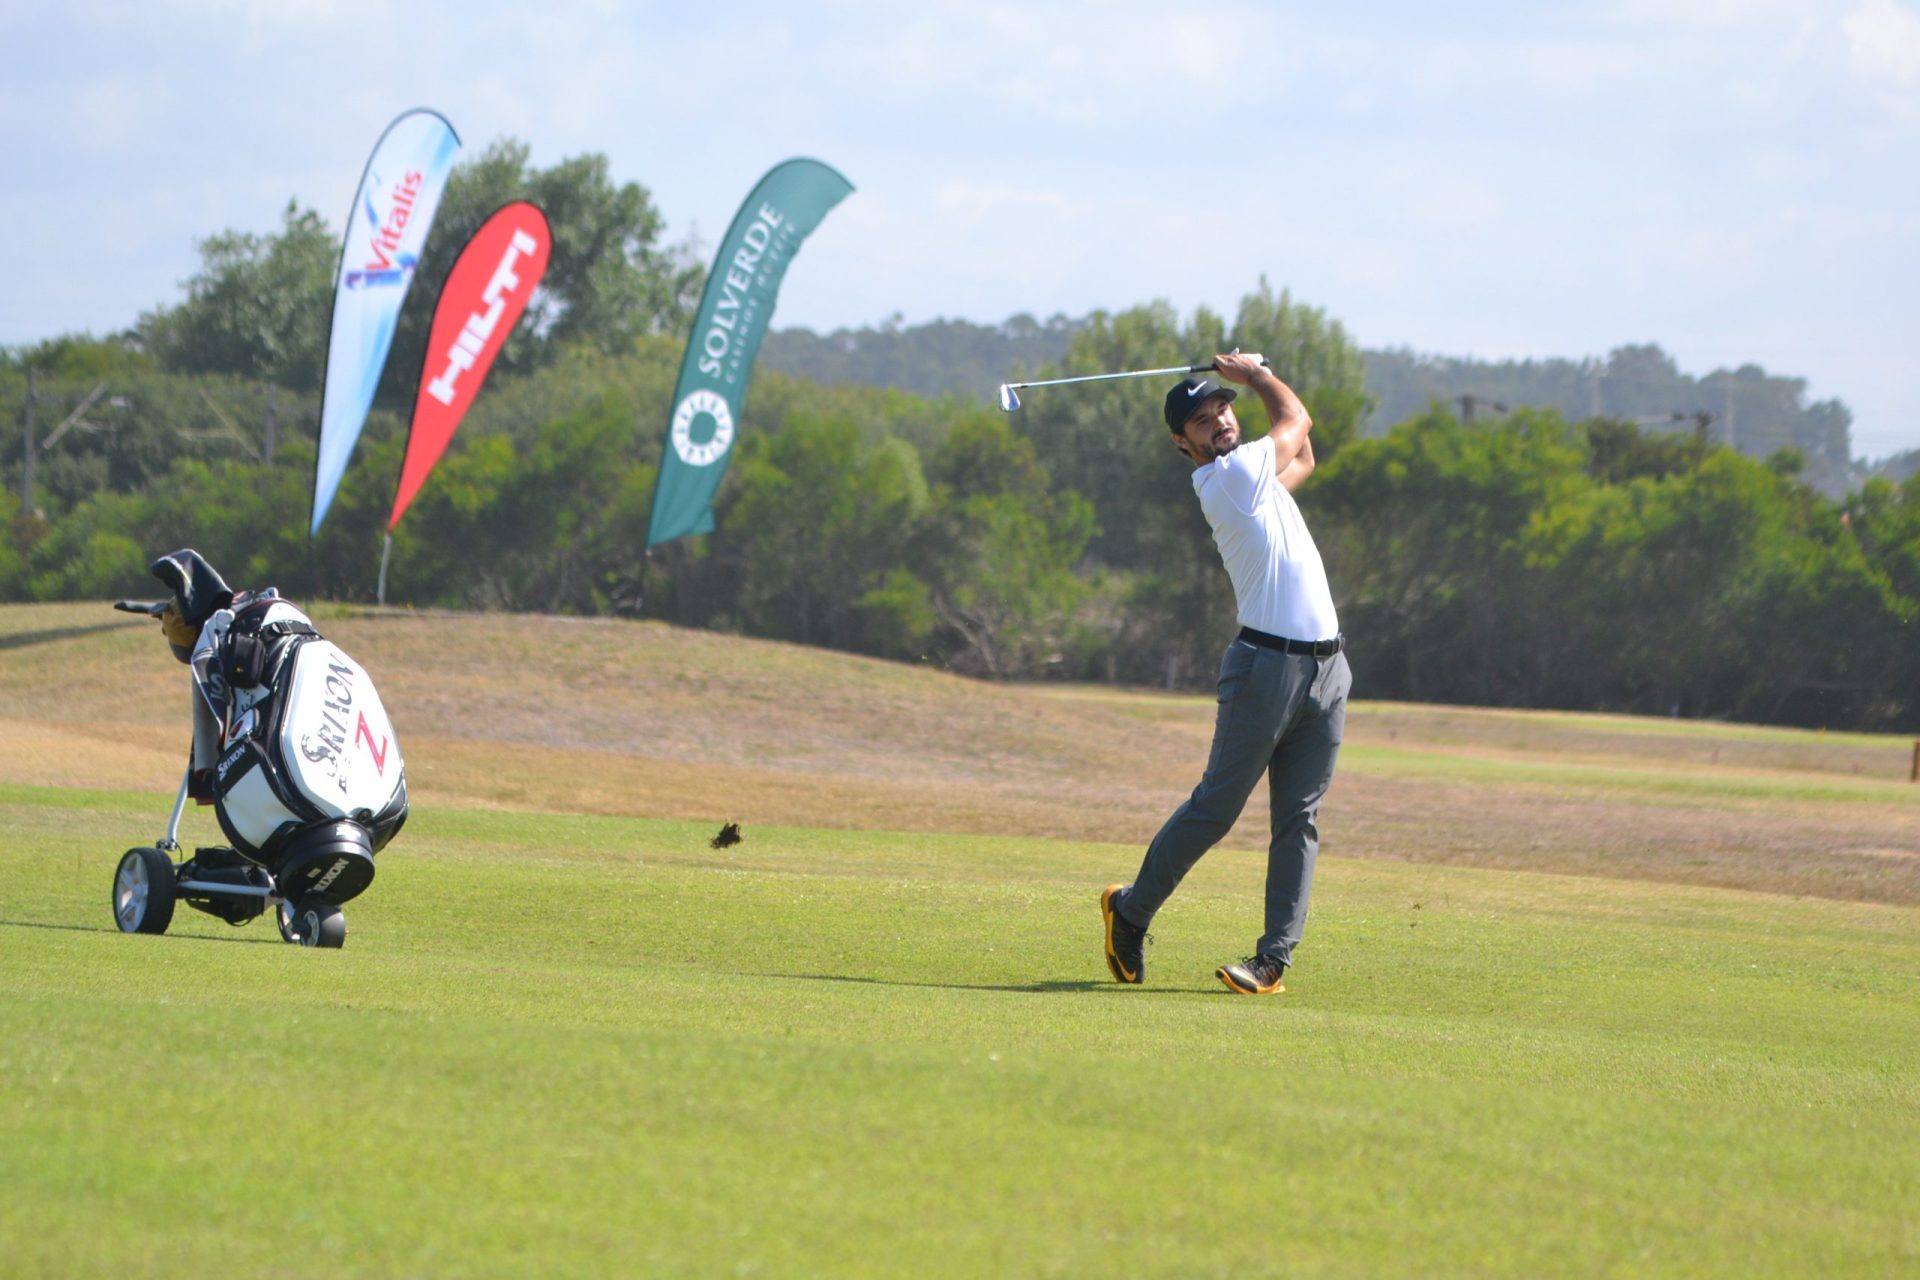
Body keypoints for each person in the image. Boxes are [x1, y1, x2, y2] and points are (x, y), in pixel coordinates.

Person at [1101, 352, 1351, 995]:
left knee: (1300, 819)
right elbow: (1297, 418)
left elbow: (1306, 455)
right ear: (1182, 443)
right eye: (1203, 421)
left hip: (1327, 670)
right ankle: (1129, 911)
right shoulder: (1229, 478)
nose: (1220, 422)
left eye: (1223, 409)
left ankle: (1272, 960)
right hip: (1265, 666)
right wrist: (1259, 375)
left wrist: (1257, 393)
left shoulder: (1254, 480)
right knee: (1216, 808)